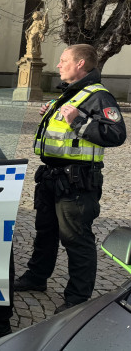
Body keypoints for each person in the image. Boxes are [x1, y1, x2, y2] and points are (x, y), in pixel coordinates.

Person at [13, 44, 126, 313]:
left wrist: (78, 121)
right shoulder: (70, 94)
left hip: (77, 180)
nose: (58, 65)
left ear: (81, 64)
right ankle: (36, 277)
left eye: (64, 60)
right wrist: (52, 115)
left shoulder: (98, 96)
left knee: (76, 238)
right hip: (52, 176)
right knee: (45, 231)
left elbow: (116, 134)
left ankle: (77, 298)